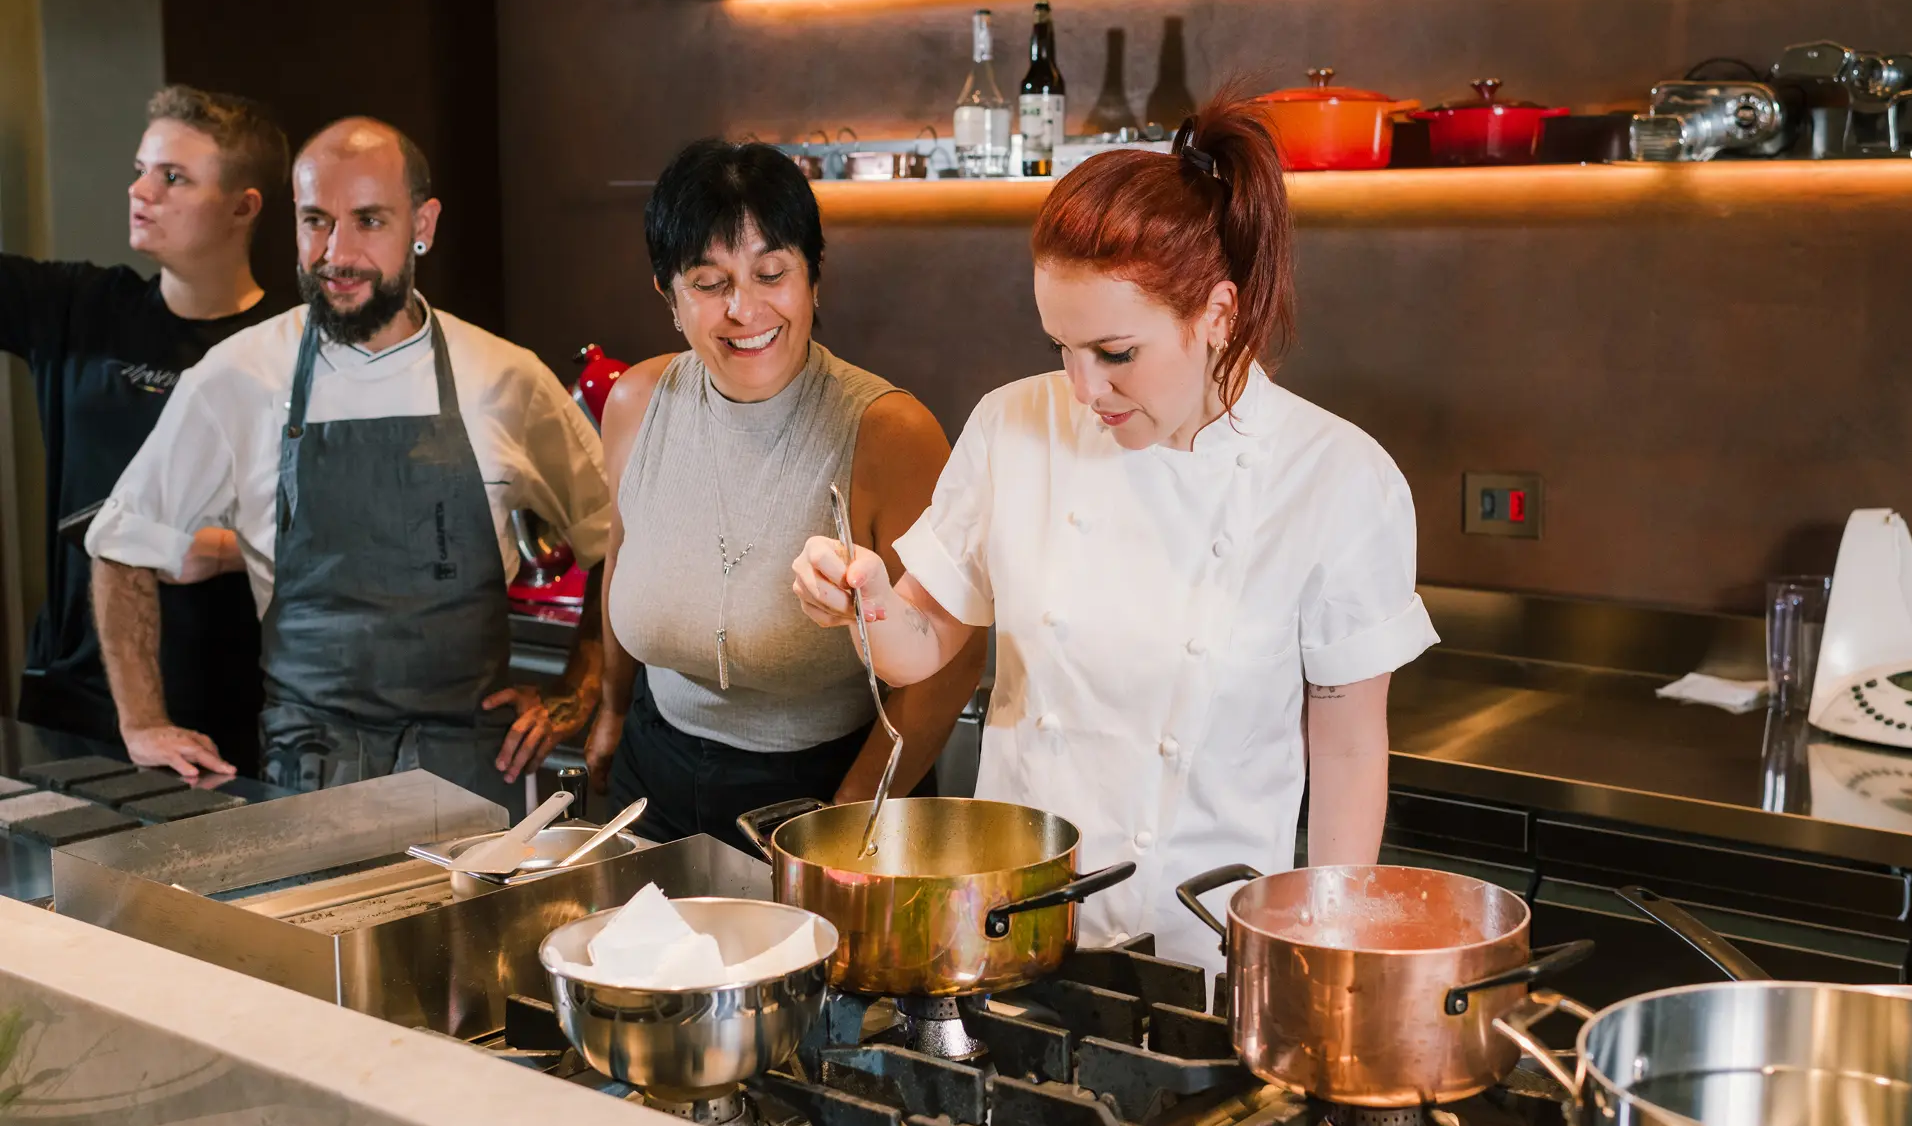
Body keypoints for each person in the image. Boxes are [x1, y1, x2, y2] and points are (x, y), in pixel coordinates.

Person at [791, 92, 1439, 969]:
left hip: (1206, 953)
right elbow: (921, 645)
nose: (1085, 389)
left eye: (1116, 353)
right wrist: (864, 598)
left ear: (1216, 313)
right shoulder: (1013, 424)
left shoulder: (1336, 477)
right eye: (1062, 346)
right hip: (1006, 931)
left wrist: (1323, 951)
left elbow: (1351, 746)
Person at [87, 118, 612, 813]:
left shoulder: (505, 377)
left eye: (368, 220)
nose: (337, 252)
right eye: (315, 221)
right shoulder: (238, 375)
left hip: (474, 776)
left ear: (422, 224)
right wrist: (142, 722)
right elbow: (122, 543)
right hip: (309, 772)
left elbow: (618, 537)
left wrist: (579, 689)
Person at [586, 139, 985, 849]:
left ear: (813, 279)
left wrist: (853, 814)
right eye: (709, 283)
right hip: (652, 773)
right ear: (668, 295)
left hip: (821, 788)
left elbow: (954, 659)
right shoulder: (637, 402)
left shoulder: (890, 430)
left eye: (771, 273)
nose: (745, 308)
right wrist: (612, 712)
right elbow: (624, 559)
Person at [2, 86, 288, 768]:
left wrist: (225, 548)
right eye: (142, 169)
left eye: (173, 177)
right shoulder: (76, 308)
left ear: (243, 207)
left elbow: (343, 527)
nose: (141, 190)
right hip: (73, 697)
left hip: (231, 703)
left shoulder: (288, 348)